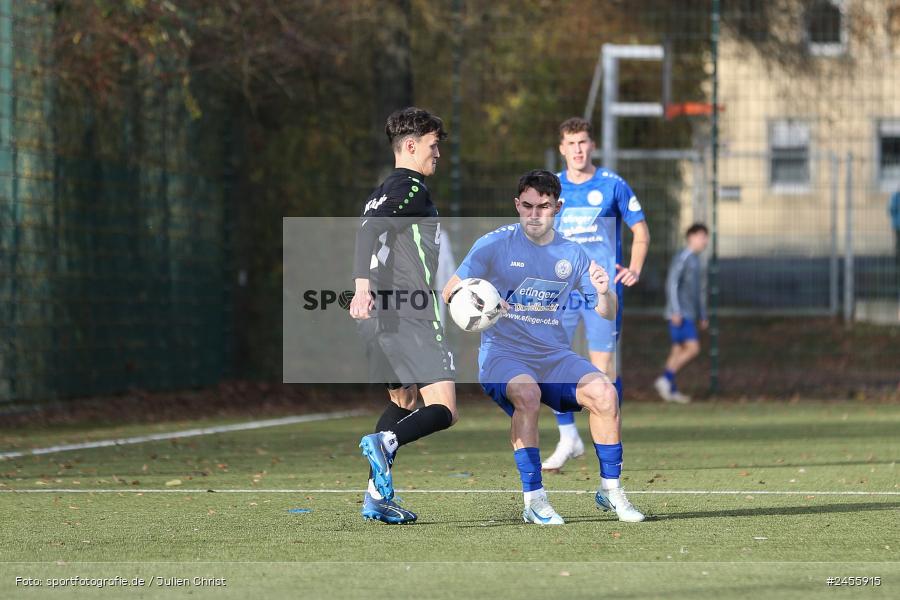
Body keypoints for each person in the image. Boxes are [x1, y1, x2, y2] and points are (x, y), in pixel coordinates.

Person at [442, 169, 645, 525]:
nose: (534, 214)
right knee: (528, 394)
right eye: (528, 206)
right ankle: (534, 498)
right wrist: (480, 302)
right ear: (517, 205)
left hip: (554, 357)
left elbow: (606, 311)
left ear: (559, 207)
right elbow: (449, 291)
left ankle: (611, 491)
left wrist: (603, 290)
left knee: (605, 394)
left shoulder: (572, 253)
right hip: (504, 356)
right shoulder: (493, 244)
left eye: (544, 206)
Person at [349, 107, 458, 524]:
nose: (438, 154)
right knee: (444, 408)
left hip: (380, 319)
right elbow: (368, 231)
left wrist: (364, 292)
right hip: (409, 312)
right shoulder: (411, 187)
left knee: (405, 399)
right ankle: (385, 443)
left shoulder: (381, 189)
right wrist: (361, 286)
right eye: (433, 146)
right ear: (410, 146)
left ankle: (377, 497)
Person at [543, 117, 651, 471]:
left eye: (583, 142)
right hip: (561, 292)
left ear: (593, 146)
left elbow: (640, 230)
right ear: (561, 148)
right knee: (552, 362)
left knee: (601, 372)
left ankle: (608, 446)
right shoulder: (552, 187)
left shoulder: (612, 184)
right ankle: (568, 436)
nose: (578, 149)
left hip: (602, 293)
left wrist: (633, 267)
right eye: (571, 143)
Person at [654, 223, 710, 403]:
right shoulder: (683, 257)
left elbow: (699, 291)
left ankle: (671, 388)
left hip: (689, 313)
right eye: (702, 236)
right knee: (693, 348)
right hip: (680, 313)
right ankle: (665, 379)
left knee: (677, 350)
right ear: (691, 237)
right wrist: (675, 310)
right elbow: (672, 283)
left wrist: (702, 314)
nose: (705, 241)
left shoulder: (697, 259)